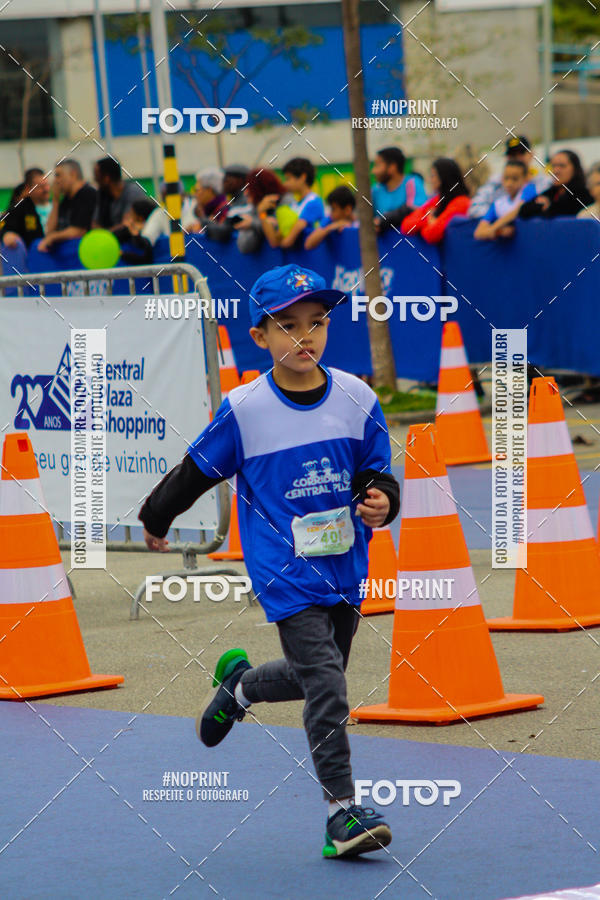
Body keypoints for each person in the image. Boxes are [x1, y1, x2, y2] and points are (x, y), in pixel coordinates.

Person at [138, 263, 400, 859]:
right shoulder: (247, 408)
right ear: (260, 336)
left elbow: (375, 470)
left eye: (316, 322)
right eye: (288, 325)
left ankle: (239, 687)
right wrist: (156, 516)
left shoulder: (357, 397)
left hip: (344, 565)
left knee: (319, 674)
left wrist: (383, 499)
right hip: (284, 571)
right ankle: (341, 814)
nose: (305, 336)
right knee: (328, 684)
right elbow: (197, 469)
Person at [468, 135, 552, 219]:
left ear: (531, 154)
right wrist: (501, 216)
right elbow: (474, 209)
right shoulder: (496, 182)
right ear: (507, 158)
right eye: (512, 155)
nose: (517, 158)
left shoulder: (543, 182)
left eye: (521, 154)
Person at [401, 157, 471, 243]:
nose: (430, 180)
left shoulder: (461, 202)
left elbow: (431, 234)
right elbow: (406, 226)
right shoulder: (438, 200)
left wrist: (427, 223)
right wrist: (428, 220)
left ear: (444, 177)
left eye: (433, 176)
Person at [38, 159, 97, 252]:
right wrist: (55, 201)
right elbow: (49, 231)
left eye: (58, 175)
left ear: (73, 175)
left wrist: (53, 237)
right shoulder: (67, 198)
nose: (55, 181)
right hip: (68, 248)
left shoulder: (87, 193)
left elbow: (79, 231)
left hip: (84, 249)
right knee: (36, 245)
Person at [232, 167, 295, 253]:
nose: (245, 193)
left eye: (250, 188)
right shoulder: (257, 207)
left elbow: (277, 238)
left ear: (261, 188)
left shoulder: (286, 202)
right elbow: (244, 246)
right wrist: (260, 216)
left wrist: (253, 223)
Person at [519, 149, 593, 220]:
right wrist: (542, 206)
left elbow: (564, 210)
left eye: (562, 166)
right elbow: (523, 210)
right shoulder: (552, 192)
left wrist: (546, 207)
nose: (556, 171)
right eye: (553, 166)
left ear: (575, 169)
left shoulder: (584, 194)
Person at [474, 159, 537, 241]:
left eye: (515, 179)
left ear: (526, 179)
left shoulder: (529, 189)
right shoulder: (498, 204)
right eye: (506, 178)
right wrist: (499, 231)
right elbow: (478, 233)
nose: (509, 183)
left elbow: (517, 211)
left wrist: (493, 228)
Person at [371, 147, 427, 231]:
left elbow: (416, 210)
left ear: (392, 167)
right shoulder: (376, 190)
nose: (373, 171)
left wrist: (383, 221)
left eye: (377, 165)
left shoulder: (412, 183)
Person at [277, 157, 325, 248]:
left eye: (288, 179)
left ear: (303, 177)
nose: (285, 184)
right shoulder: (293, 204)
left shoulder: (314, 202)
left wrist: (280, 243)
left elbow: (287, 242)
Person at [92, 156, 149, 230]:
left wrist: (105, 233)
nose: (95, 180)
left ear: (106, 178)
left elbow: (128, 226)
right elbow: (94, 224)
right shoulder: (101, 196)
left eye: (97, 177)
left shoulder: (133, 193)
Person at [1, 168, 50, 248]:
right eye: (40, 187)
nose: (46, 189)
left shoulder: (57, 205)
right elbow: (4, 225)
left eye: (47, 185)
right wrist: (6, 234)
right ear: (28, 188)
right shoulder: (20, 209)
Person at [304, 185, 358, 250]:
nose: (331, 214)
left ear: (347, 210)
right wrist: (331, 227)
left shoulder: (359, 224)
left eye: (333, 209)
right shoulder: (329, 221)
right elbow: (308, 244)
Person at [182, 168, 230, 238]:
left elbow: (221, 235)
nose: (194, 194)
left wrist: (203, 221)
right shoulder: (204, 210)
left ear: (209, 191)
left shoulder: (225, 211)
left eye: (196, 190)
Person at [114, 199, 156, 264]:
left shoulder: (146, 236)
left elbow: (145, 259)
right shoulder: (127, 231)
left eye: (131, 214)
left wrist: (122, 254)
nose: (127, 215)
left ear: (140, 218)